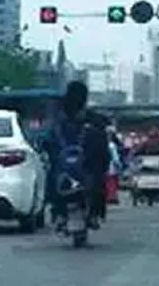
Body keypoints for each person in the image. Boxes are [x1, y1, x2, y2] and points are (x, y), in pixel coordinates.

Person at [42, 81, 111, 229]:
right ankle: (94, 214)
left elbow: (48, 142)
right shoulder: (94, 120)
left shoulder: (58, 119)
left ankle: (59, 213)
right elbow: (103, 150)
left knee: (53, 177)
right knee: (98, 179)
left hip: (67, 167)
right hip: (85, 167)